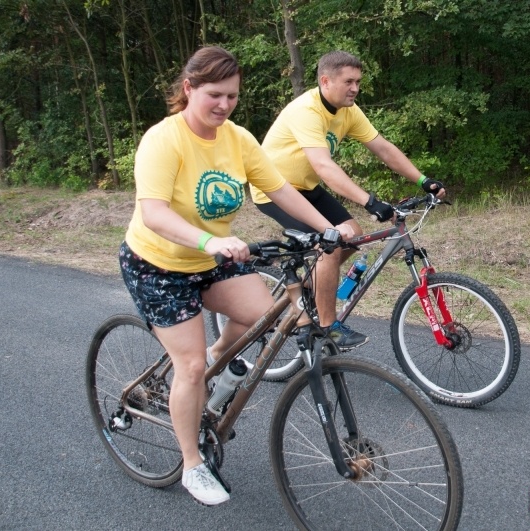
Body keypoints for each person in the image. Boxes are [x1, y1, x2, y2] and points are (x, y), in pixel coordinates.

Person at [118, 46, 353, 507]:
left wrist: (325, 230)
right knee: (189, 368)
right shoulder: (163, 140)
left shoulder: (238, 139)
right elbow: (154, 214)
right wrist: (210, 242)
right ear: (188, 89)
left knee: (263, 319)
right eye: (214, 95)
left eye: (232, 96)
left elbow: (279, 188)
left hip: (211, 259)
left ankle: (215, 366)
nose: (223, 105)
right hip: (159, 264)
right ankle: (191, 463)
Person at [250, 50, 445, 349]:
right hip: (275, 190)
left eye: (358, 82)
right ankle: (328, 328)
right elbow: (325, 167)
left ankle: (306, 290)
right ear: (326, 81)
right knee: (329, 247)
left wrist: (423, 180)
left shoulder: (348, 111)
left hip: (307, 187)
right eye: (349, 81)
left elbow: (384, 149)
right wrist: (370, 201)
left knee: (352, 236)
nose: (355, 88)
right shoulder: (307, 110)